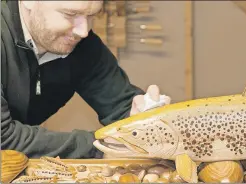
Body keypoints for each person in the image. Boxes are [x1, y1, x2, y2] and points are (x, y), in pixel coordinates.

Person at [1, 0, 171, 159]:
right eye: (70, 14)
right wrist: (101, 147)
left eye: (91, 16)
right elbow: (3, 139)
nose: (83, 31)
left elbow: (122, 105)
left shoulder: (84, 47)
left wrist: (141, 118)